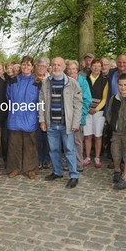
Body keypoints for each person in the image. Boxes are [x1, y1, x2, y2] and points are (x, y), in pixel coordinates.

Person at [39, 57, 83, 189]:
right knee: (54, 150)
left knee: (69, 150)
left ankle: (74, 175)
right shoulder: (45, 82)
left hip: (67, 124)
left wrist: (75, 123)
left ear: (64, 67)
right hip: (51, 123)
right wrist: (42, 120)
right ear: (50, 67)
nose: (56, 67)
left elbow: (78, 104)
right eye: (54, 65)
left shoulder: (72, 83)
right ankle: (57, 172)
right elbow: (41, 103)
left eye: (59, 65)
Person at [6, 56, 41, 180]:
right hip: (15, 117)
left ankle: (30, 169)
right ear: (21, 66)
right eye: (24, 64)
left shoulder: (37, 81)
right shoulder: (13, 80)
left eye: (28, 65)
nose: (26, 67)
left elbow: (40, 100)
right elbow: (8, 97)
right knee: (14, 145)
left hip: (30, 118)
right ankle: (14, 168)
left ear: (32, 67)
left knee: (30, 145)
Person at [65, 60, 91, 172]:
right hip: (66, 117)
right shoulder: (64, 81)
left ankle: (79, 164)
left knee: (78, 142)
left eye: (74, 69)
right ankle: (70, 163)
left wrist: (80, 114)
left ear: (77, 70)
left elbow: (87, 100)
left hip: (78, 117)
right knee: (67, 142)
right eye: (69, 69)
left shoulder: (83, 82)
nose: (71, 71)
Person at [84, 59, 109, 168]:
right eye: (94, 65)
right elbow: (82, 94)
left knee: (98, 135)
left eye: (98, 66)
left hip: (99, 112)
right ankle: (88, 156)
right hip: (87, 110)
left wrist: (97, 109)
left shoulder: (105, 80)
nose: (96, 68)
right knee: (88, 135)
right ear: (90, 66)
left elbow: (105, 98)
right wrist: (88, 107)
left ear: (101, 67)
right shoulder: (85, 79)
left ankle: (97, 157)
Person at [35, 57, 51, 169]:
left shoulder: (50, 79)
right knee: (38, 137)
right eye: (39, 66)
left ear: (47, 67)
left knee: (48, 137)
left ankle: (47, 159)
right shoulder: (32, 79)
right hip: (33, 110)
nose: (41, 68)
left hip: (47, 111)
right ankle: (39, 158)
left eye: (44, 66)